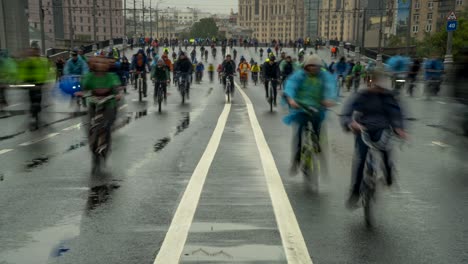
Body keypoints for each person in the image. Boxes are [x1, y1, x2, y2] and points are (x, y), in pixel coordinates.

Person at [340, 67, 407, 209]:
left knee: (386, 153)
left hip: (383, 129)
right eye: (374, 83)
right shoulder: (361, 95)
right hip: (362, 129)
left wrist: (399, 128)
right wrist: (350, 123)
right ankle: (355, 192)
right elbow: (347, 111)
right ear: (370, 82)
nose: (377, 87)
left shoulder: (388, 96)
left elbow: (396, 113)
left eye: (380, 83)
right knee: (360, 159)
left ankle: (389, 176)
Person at [282, 55, 337, 177]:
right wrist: (291, 99)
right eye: (310, 65)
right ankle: (296, 159)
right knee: (299, 133)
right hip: (301, 107)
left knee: (318, 130)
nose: (313, 68)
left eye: (315, 65)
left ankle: (317, 148)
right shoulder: (299, 75)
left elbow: (330, 87)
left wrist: (329, 99)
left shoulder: (323, 76)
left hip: (317, 107)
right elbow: (291, 85)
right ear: (306, 66)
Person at [81, 56, 122, 169]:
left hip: (109, 104)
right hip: (94, 104)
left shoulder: (111, 76)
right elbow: (84, 87)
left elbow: (116, 87)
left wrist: (117, 94)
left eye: (103, 65)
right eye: (97, 65)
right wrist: (81, 92)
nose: (100, 67)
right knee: (91, 125)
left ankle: (106, 144)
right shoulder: (89, 76)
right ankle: (93, 143)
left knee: (106, 124)